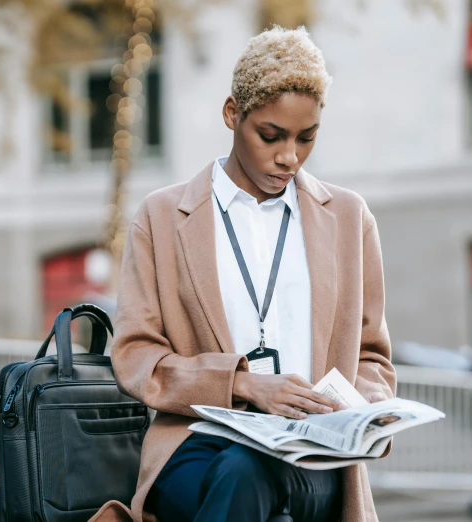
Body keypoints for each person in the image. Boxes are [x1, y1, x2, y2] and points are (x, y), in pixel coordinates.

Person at [91, 26, 395, 522]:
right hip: (193, 444)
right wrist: (242, 385)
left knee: (247, 473)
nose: (288, 157)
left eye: (307, 137)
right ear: (233, 114)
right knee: (240, 471)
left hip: (311, 458)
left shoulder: (348, 219)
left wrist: (363, 405)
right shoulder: (162, 217)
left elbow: (373, 357)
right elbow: (135, 355)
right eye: (270, 136)